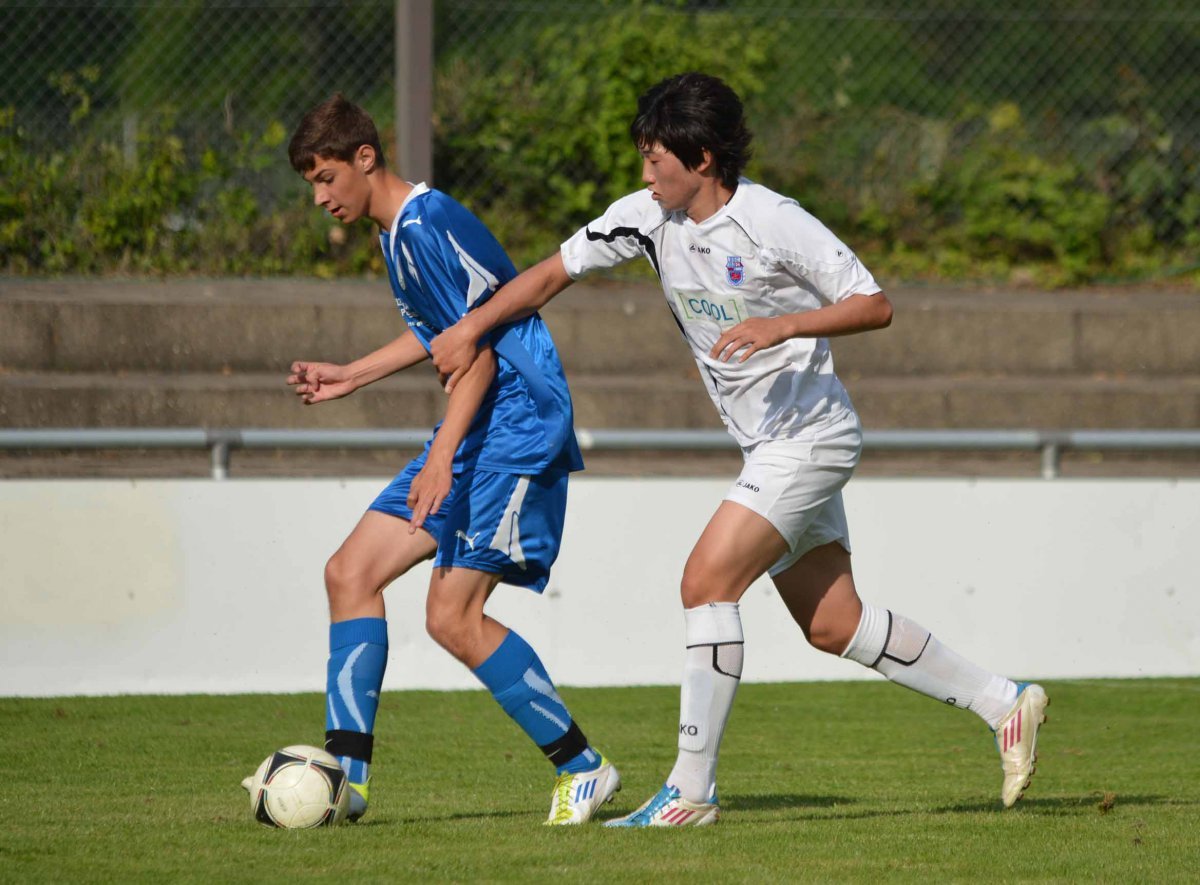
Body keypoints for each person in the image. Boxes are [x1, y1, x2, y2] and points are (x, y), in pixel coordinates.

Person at [430, 72, 1048, 827]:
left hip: (810, 437)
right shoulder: (645, 218)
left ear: (702, 156)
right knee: (834, 624)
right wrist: (470, 328)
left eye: (656, 158)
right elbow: (549, 276)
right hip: (771, 446)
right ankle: (1004, 702)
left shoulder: (771, 220)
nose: (645, 172)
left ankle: (690, 792)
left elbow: (874, 303)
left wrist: (783, 325)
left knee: (704, 581)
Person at [245, 93, 621, 826]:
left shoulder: (425, 222)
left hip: (515, 424)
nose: (320, 197)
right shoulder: (395, 236)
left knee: (452, 615)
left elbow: (475, 355)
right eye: (310, 185)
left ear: (365, 158)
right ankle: (344, 784)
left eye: (326, 178)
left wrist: (441, 457)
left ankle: (584, 767)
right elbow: (440, 336)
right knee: (349, 572)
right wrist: (351, 374)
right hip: (479, 424)